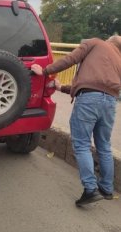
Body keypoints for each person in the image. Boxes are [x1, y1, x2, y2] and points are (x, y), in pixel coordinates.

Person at [31, 36, 121, 207]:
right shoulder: (119, 58)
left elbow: (70, 59)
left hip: (88, 100)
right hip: (110, 103)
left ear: (109, 40)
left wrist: (44, 70)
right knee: (104, 146)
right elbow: (99, 87)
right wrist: (61, 87)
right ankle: (106, 189)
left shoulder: (95, 43)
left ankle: (90, 189)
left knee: (81, 144)